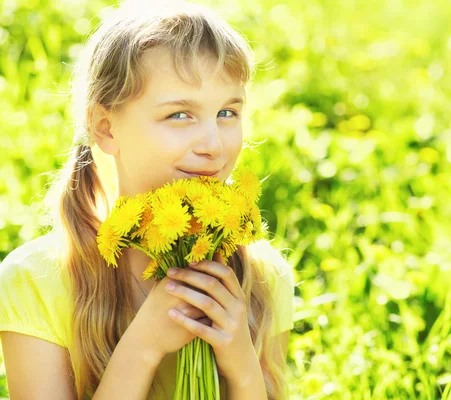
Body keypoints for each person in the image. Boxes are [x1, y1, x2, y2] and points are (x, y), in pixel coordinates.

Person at [0, 1, 295, 399]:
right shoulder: (35, 282)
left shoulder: (262, 278)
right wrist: (143, 347)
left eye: (227, 112)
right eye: (179, 115)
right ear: (105, 128)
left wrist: (242, 366)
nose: (213, 145)